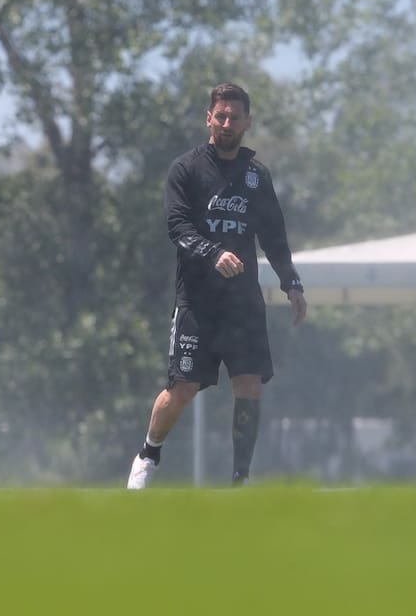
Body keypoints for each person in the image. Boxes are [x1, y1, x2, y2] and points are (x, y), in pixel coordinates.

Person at [127, 83, 307, 489]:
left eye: (235, 117)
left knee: (248, 383)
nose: (227, 123)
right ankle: (148, 454)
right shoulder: (186, 169)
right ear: (208, 118)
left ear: (247, 122)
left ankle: (240, 479)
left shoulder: (257, 177)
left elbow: (274, 235)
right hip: (197, 302)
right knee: (183, 387)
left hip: (242, 304)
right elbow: (177, 226)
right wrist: (212, 253)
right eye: (220, 116)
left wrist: (291, 283)